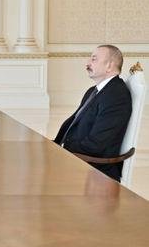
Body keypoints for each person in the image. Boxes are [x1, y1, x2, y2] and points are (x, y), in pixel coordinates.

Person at [54, 44, 132, 181]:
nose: (88, 63)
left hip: (94, 170)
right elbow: (73, 124)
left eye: (94, 59)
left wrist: (63, 151)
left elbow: (96, 144)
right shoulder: (93, 91)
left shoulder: (116, 95)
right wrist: (54, 146)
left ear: (109, 66)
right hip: (76, 158)